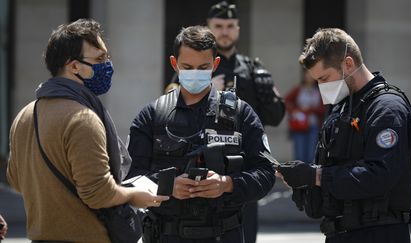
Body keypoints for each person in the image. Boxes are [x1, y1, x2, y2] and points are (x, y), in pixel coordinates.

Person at [6, 19, 168, 242]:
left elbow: (15, 180)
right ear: (74, 66)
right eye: (100, 59)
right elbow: (98, 193)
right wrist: (134, 195)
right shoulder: (83, 119)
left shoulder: (24, 115)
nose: (107, 66)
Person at [126, 25, 275, 243]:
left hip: (223, 234)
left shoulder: (241, 113)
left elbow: (266, 173)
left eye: (203, 67)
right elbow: (130, 178)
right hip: (166, 234)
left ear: (215, 64)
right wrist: (167, 186)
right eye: (187, 66)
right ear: (174, 63)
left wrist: (227, 183)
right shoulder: (152, 115)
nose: (195, 73)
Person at [277, 28, 411, 243]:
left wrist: (316, 176)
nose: (321, 87)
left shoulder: (387, 108)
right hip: (341, 232)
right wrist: (302, 178)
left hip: (378, 234)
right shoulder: (342, 108)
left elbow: (379, 175)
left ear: (348, 64)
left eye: (324, 78)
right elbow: (331, 169)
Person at [206, 2, 285, 242]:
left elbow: (275, 116)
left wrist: (269, 94)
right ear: (208, 28)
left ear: (238, 29)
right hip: (206, 164)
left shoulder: (253, 70)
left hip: (243, 169)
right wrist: (207, 88)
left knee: (245, 234)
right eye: (218, 26)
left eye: (230, 26)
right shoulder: (196, 68)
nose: (225, 31)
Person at [284, 72, 324, 163]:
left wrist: (310, 109)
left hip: (314, 126)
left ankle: (309, 176)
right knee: (299, 155)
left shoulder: (318, 91)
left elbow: (323, 108)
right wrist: (294, 110)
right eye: (307, 75)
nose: (309, 77)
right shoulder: (298, 89)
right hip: (299, 126)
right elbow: (286, 100)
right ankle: (298, 175)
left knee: (311, 155)